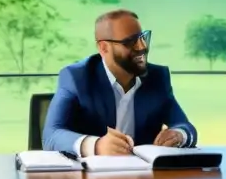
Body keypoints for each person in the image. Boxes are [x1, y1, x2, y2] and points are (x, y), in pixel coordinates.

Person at [43, 9, 197, 155]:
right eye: (130, 42)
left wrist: (179, 135)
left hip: (145, 178)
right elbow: (52, 135)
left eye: (142, 37)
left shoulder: (157, 77)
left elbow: (185, 127)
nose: (142, 47)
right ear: (104, 48)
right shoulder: (77, 77)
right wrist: (96, 145)